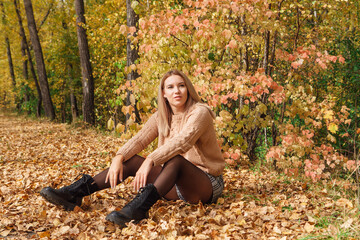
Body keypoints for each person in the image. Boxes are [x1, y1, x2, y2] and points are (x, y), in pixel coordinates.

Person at [40, 69, 225, 228]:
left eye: (181, 85)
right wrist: (118, 157)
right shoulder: (161, 116)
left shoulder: (200, 112)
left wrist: (151, 161)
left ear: (188, 89)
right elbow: (139, 139)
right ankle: (76, 193)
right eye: (170, 87)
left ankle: (138, 210)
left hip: (205, 184)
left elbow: (182, 142)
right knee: (132, 161)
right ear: (163, 93)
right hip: (173, 183)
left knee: (175, 160)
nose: (177, 91)